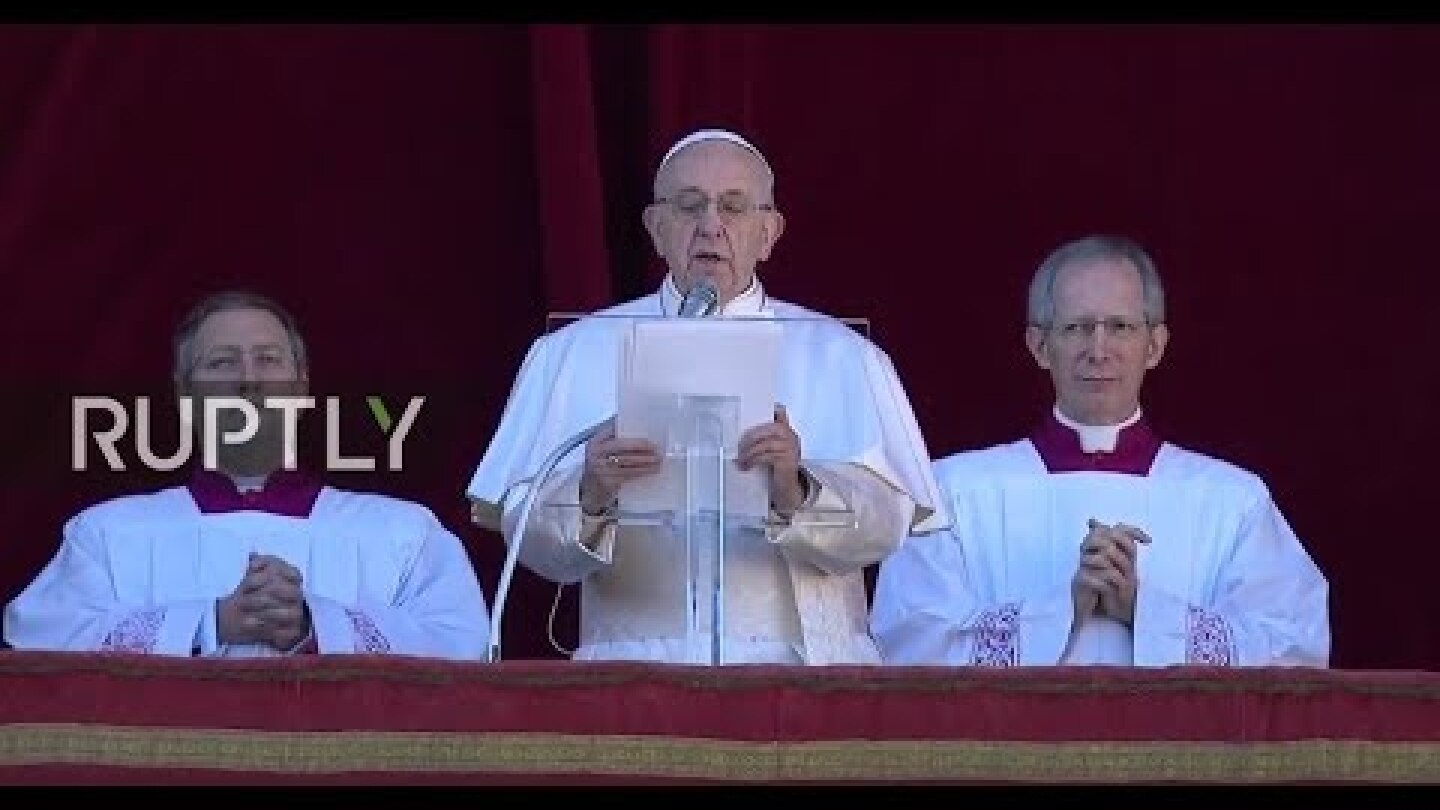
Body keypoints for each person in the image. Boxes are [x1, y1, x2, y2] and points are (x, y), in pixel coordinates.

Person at [467, 128, 947, 665]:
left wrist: (797, 487)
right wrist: (591, 488)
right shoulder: (574, 351)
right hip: (634, 675)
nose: (711, 226)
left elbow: (889, 523)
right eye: (689, 206)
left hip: (801, 675)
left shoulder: (841, 355)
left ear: (769, 232)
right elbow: (520, 527)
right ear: (656, 227)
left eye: (734, 208)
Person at [870, 234, 1330, 667]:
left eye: (1121, 327)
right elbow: (911, 644)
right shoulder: (953, 493)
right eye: (1077, 327)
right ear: (1040, 346)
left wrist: (1144, 612)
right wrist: (1061, 608)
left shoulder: (1234, 501)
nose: (1099, 349)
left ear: (1154, 346)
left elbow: (1291, 651)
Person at [4, 291, 491, 659]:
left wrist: (314, 623)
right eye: (222, 362)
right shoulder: (108, 534)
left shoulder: (404, 533)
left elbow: (465, 649)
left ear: (302, 387)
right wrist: (209, 623)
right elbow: (38, 642)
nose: (249, 380)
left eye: (268, 359)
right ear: (185, 394)